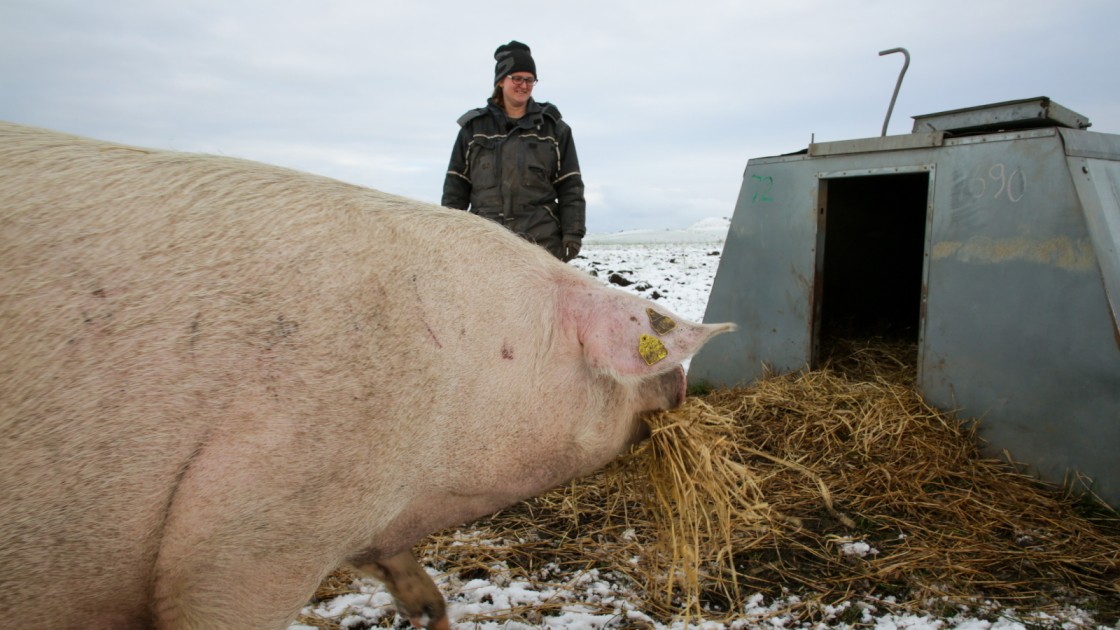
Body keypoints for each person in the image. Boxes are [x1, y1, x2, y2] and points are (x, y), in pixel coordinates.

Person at [442, 40, 586, 262]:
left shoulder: (554, 130)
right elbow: (456, 187)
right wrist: (449, 234)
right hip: (484, 245)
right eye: (516, 78)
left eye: (529, 79)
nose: (523, 85)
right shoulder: (474, 129)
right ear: (501, 81)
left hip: (541, 245)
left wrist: (573, 234)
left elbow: (570, 186)